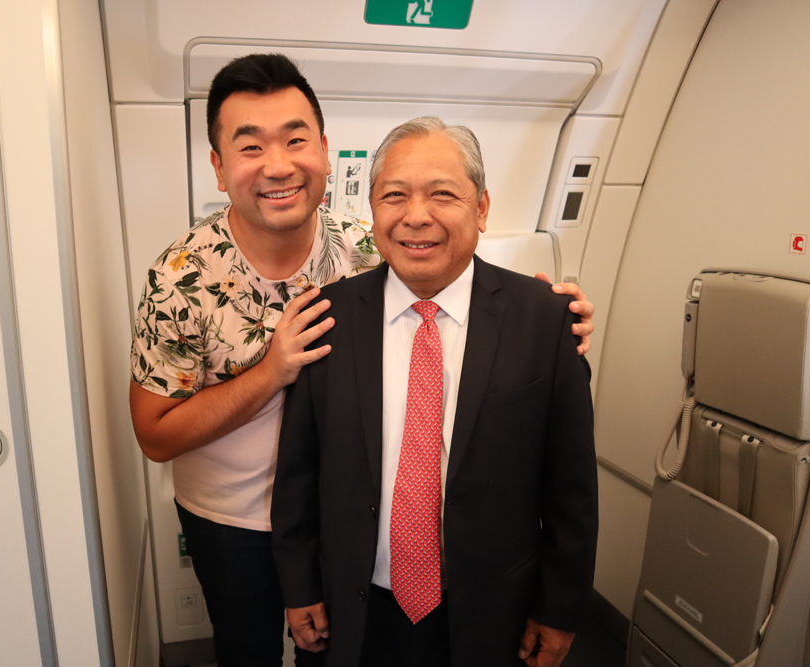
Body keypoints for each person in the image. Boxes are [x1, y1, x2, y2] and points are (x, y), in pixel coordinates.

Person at [130, 54, 594, 667]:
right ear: (218, 167)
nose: (277, 165)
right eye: (250, 147)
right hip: (234, 519)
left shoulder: (367, 243)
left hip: (353, 520)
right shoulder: (179, 278)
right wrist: (273, 370)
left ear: (323, 150)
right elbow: (155, 436)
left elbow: (453, 274)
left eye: (295, 139)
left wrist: (554, 319)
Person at [271, 117, 598, 667]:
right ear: (373, 210)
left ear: (482, 208)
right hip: (354, 608)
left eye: (443, 194)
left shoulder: (545, 321)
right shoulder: (326, 317)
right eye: (393, 195)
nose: (415, 215)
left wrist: (560, 608)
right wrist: (299, 586)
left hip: (496, 613)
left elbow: (571, 489)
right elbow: (299, 472)